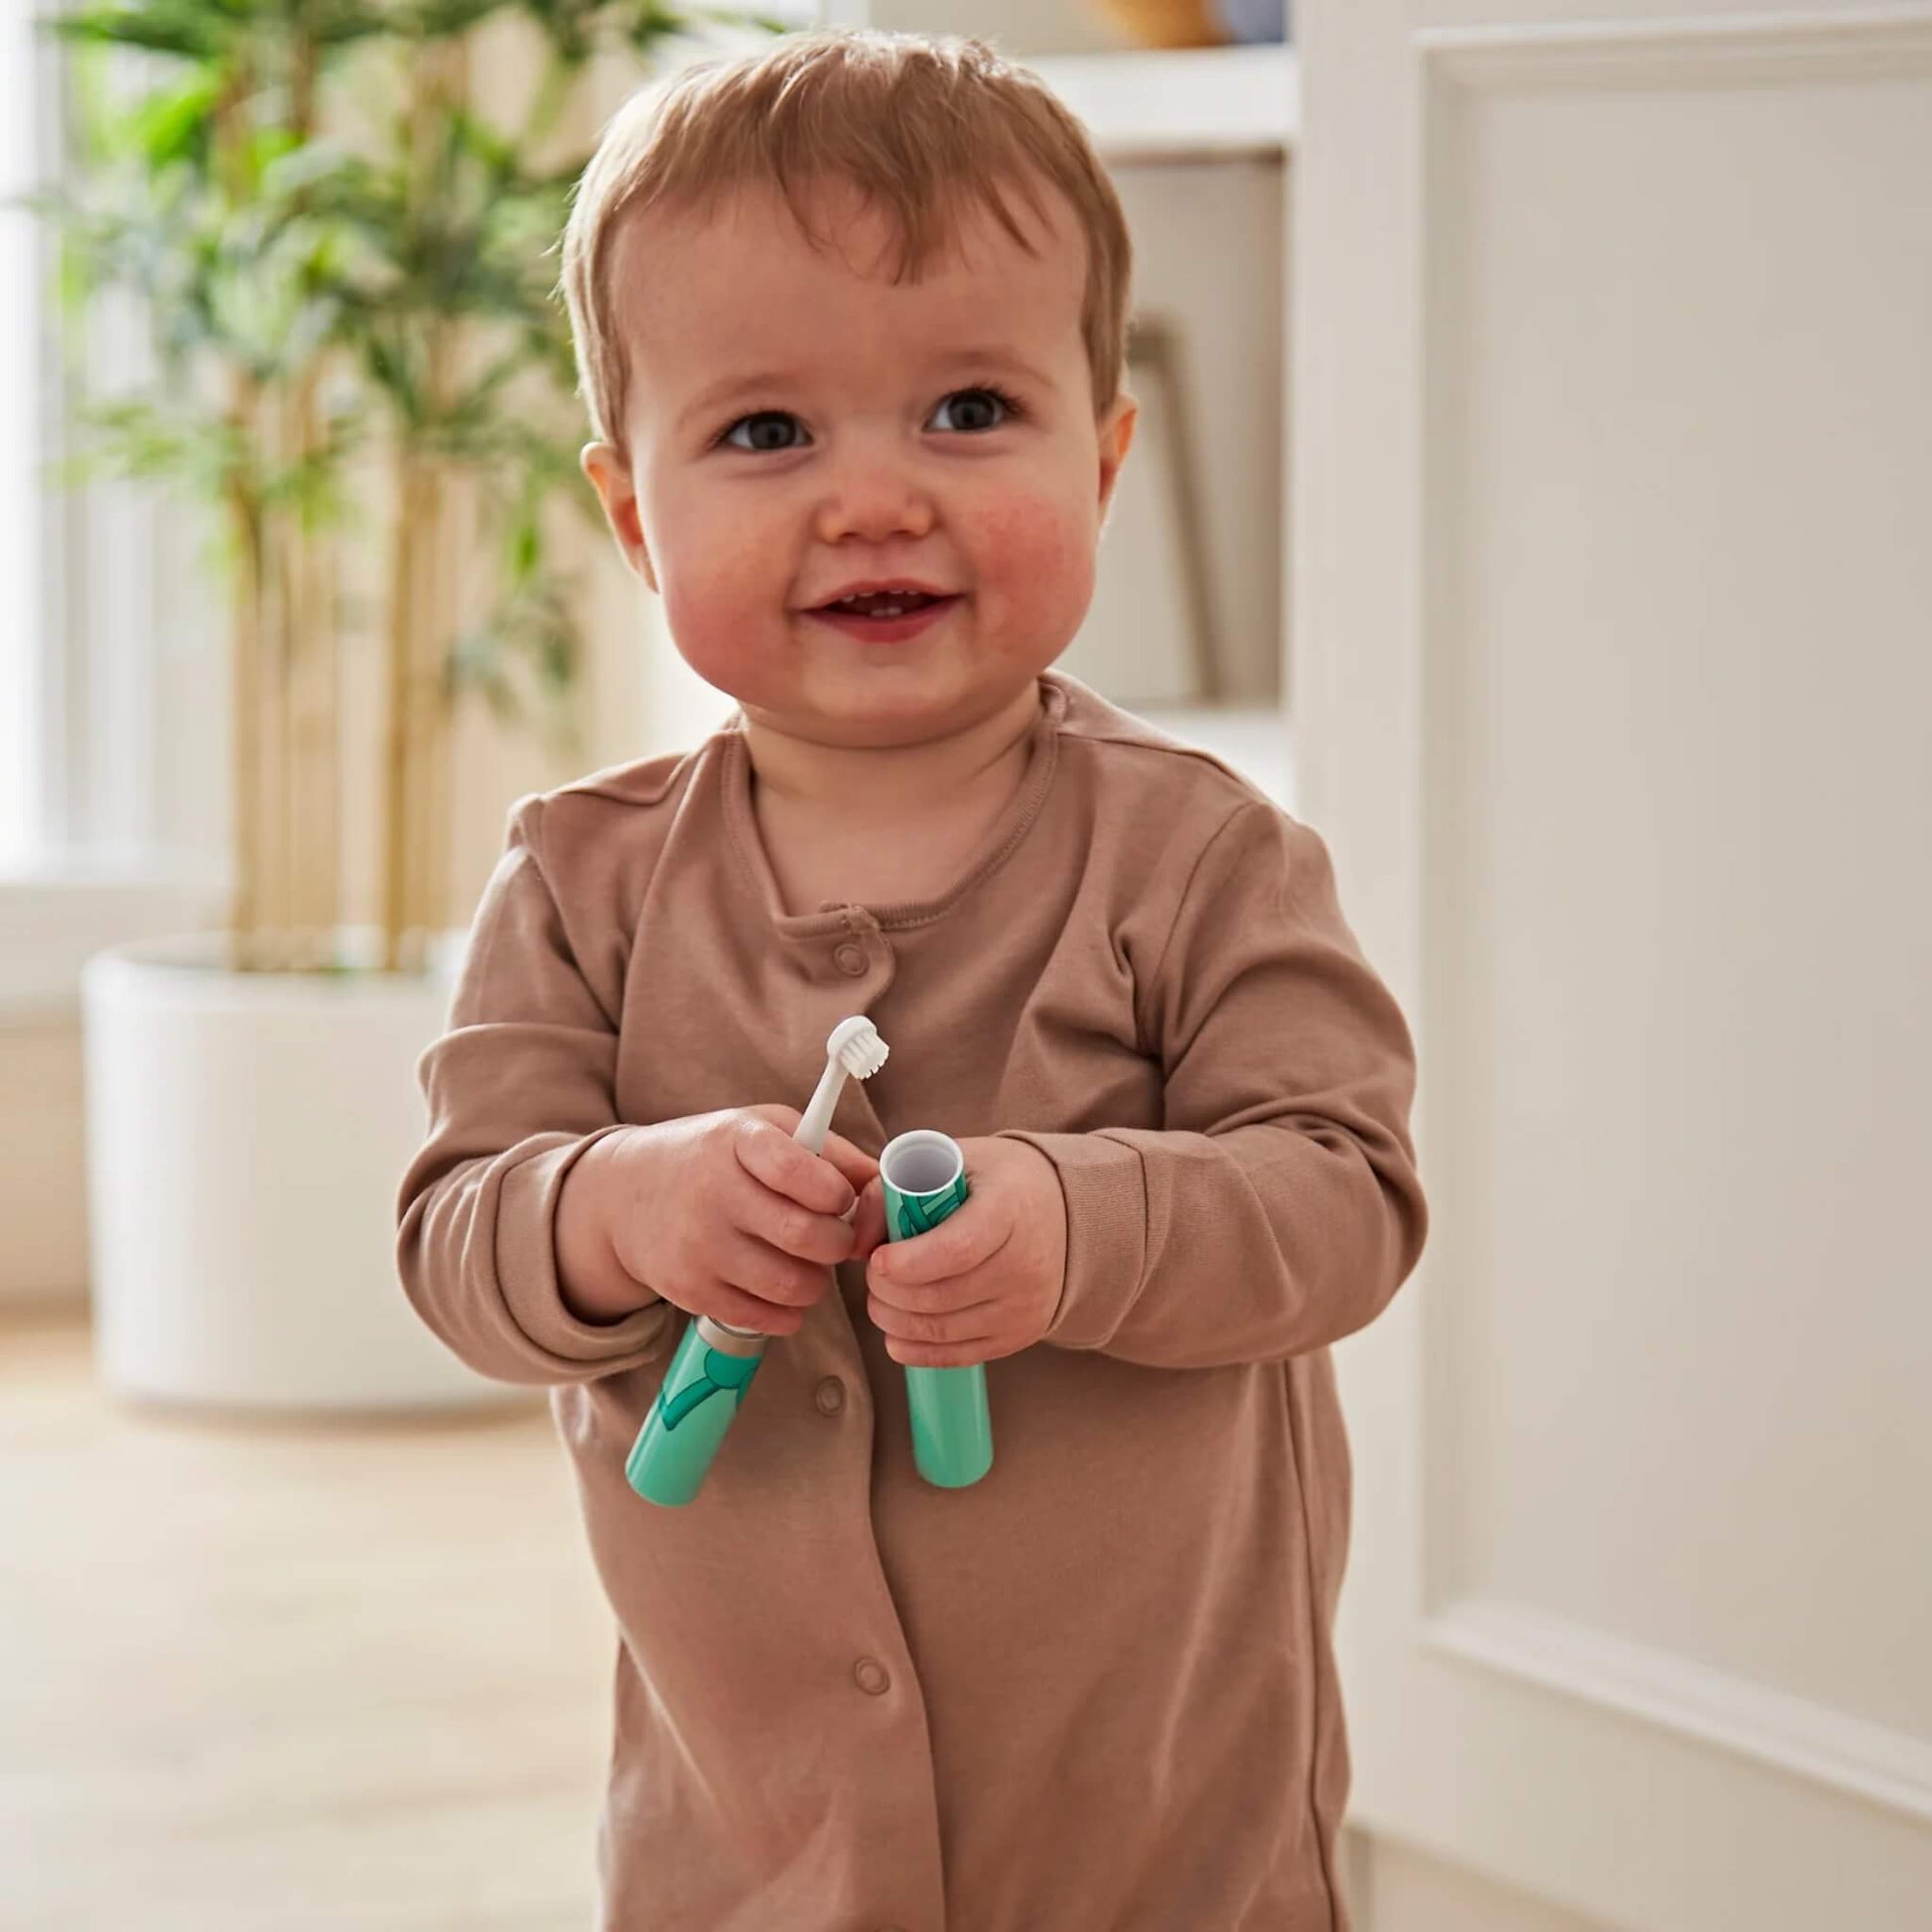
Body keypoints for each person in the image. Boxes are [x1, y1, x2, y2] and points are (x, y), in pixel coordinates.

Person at [396, 27, 1427, 1932]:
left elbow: (1345, 1201)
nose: (873, 497)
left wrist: (1073, 1221)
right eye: (768, 433)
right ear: (636, 516)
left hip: (1156, 1824)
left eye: (966, 410)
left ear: (1103, 457)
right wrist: (619, 1204)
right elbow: (459, 1239)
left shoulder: (1202, 856)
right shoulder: (579, 880)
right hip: (749, 1834)